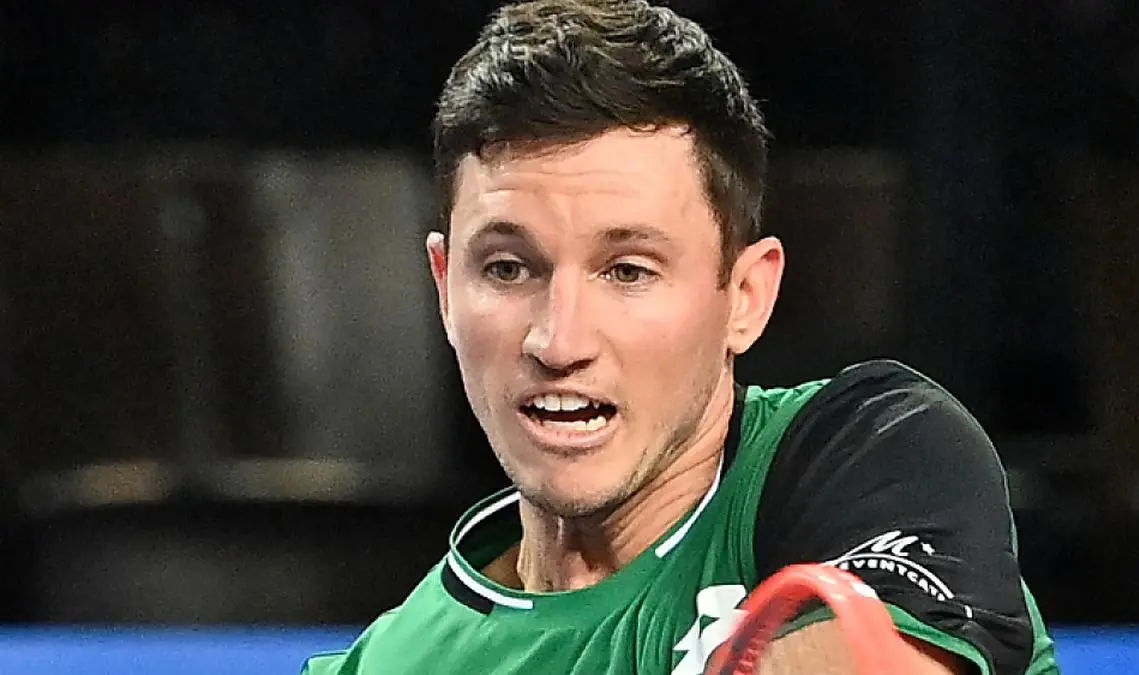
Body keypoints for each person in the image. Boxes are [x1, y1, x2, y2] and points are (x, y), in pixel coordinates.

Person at [302, 1, 1060, 673]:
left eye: (628, 270)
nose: (558, 341)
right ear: (444, 288)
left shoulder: (879, 456)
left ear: (746, 297)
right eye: (507, 268)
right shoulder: (381, 665)